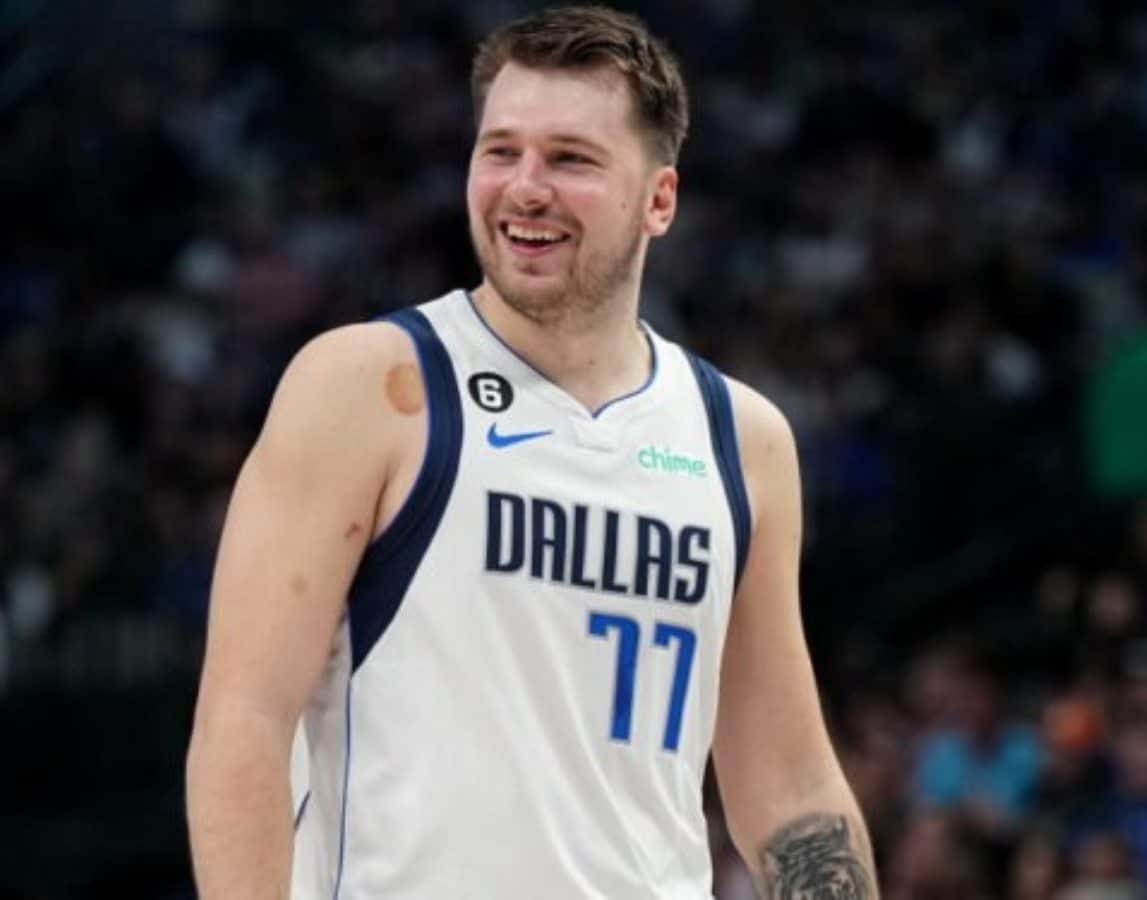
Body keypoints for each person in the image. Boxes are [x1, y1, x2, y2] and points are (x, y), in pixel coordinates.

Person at [185, 6, 878, 898]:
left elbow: (787, 783)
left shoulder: (739, 440)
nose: (524, 187)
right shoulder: (372, 386)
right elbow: (243, 719)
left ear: (658, 200)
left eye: (571, 158)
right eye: (500, 150)